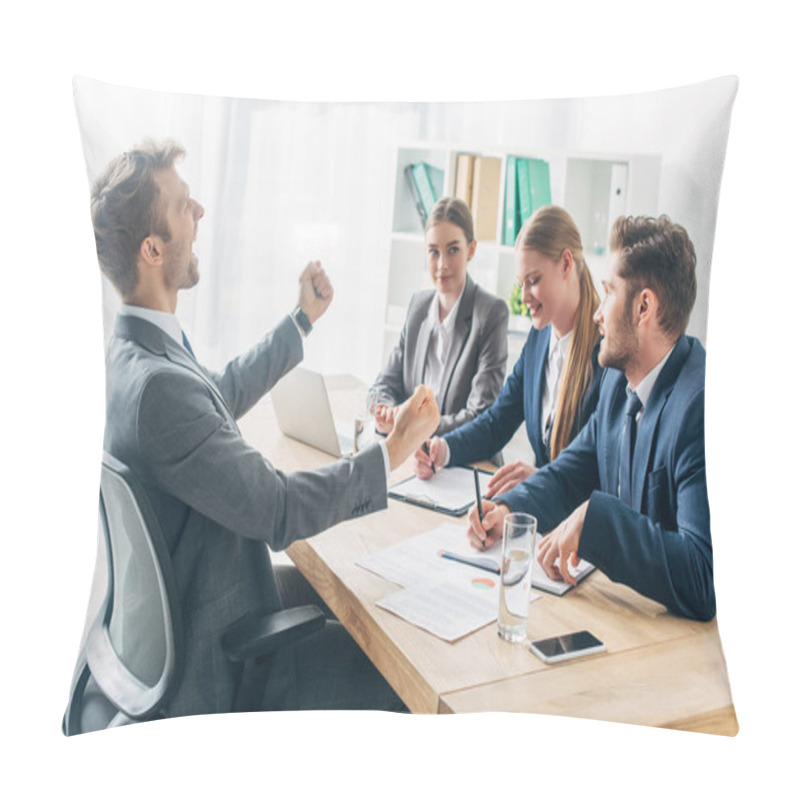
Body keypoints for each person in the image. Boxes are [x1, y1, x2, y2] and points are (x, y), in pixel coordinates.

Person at [78, 140, 440, 722]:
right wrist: (391, 451)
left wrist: (300, 322)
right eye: (183, 207)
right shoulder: (159, 390)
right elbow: (278, 509)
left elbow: (213, 394)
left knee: (361, 604)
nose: (198, 215)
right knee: (406, 673)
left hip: (201, 602)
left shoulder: (131, 354)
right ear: (152, 248)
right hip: (217, 665)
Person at [466, 214, 714, 621]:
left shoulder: (701, 405)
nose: (597, 313)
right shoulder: (618, 385)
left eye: (608, 292)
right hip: (625, 619)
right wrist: (508, 509)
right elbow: (568, 474)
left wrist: (597, 520)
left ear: (643, 307)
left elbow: (701, 577)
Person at [414, 205, 603, 496]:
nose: (524, 296)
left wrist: (542, 480)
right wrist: (445, 449)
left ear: (566, 264)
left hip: (576, 525)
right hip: (540, 513)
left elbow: (605, 472)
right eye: (521, 283)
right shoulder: (539, 339)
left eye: (534, 281)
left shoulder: (606, 354)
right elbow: (497, 422)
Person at [369, 197, 508, 437]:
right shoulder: (418, 307)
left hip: (463, 461)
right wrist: (388, 412)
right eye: (433, 252)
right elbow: (382, 385)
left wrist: (409, 427)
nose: (442, 264)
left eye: (453, 250)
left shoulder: (490, 314)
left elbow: (479, 416)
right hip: (413, 456)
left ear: (471, 249)